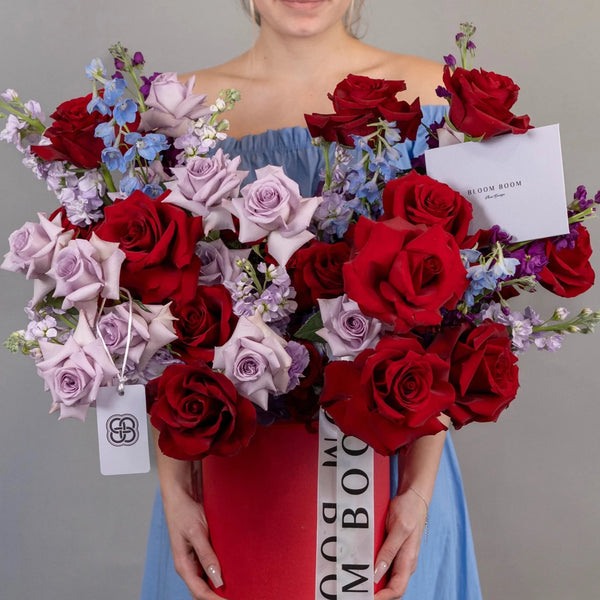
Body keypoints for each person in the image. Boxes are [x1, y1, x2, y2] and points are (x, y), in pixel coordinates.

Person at [141, 2, 482, 599]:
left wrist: (418, 491)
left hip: (394, 476)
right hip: (230, 475)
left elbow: (457, 315)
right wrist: (175, 489)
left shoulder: (433, 94)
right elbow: (152, 314)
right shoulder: (177, 109)